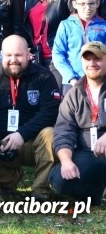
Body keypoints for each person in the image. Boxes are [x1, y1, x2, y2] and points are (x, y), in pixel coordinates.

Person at [0, 35, 60, 199]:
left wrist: (22, 134)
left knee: (51, 134)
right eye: (8, 55)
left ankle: (40, 189)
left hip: (32, 142)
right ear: (2, 55)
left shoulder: (45, 77)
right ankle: (10, 181)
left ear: (28, 54)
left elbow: (50, 112)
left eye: (18, 55)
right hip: (1, 144)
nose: (13, 60)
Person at [49, 41, 106, 204]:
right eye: (88, 59)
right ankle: (99, 192)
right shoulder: (73, 95)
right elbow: (63, 132)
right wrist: (66, 161)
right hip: (89, 153)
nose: (92, 63)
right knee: (59, 180)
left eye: (98, 59)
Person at [52, 0, 106, 94]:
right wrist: (70, 77)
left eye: (91, 3)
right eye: (82, 4)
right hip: (72, 81)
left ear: (98, 3)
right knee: (71, 109)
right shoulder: (65, 25)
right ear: (74, 4)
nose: (87, 8)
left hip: (98, 79)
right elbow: (57, 54)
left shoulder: (103, 26)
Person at [24, 0, 73, 82]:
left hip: (58, 57)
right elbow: (25, 27)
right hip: (36, 57)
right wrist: (26, 47)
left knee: (58, 98)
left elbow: (74, 26)